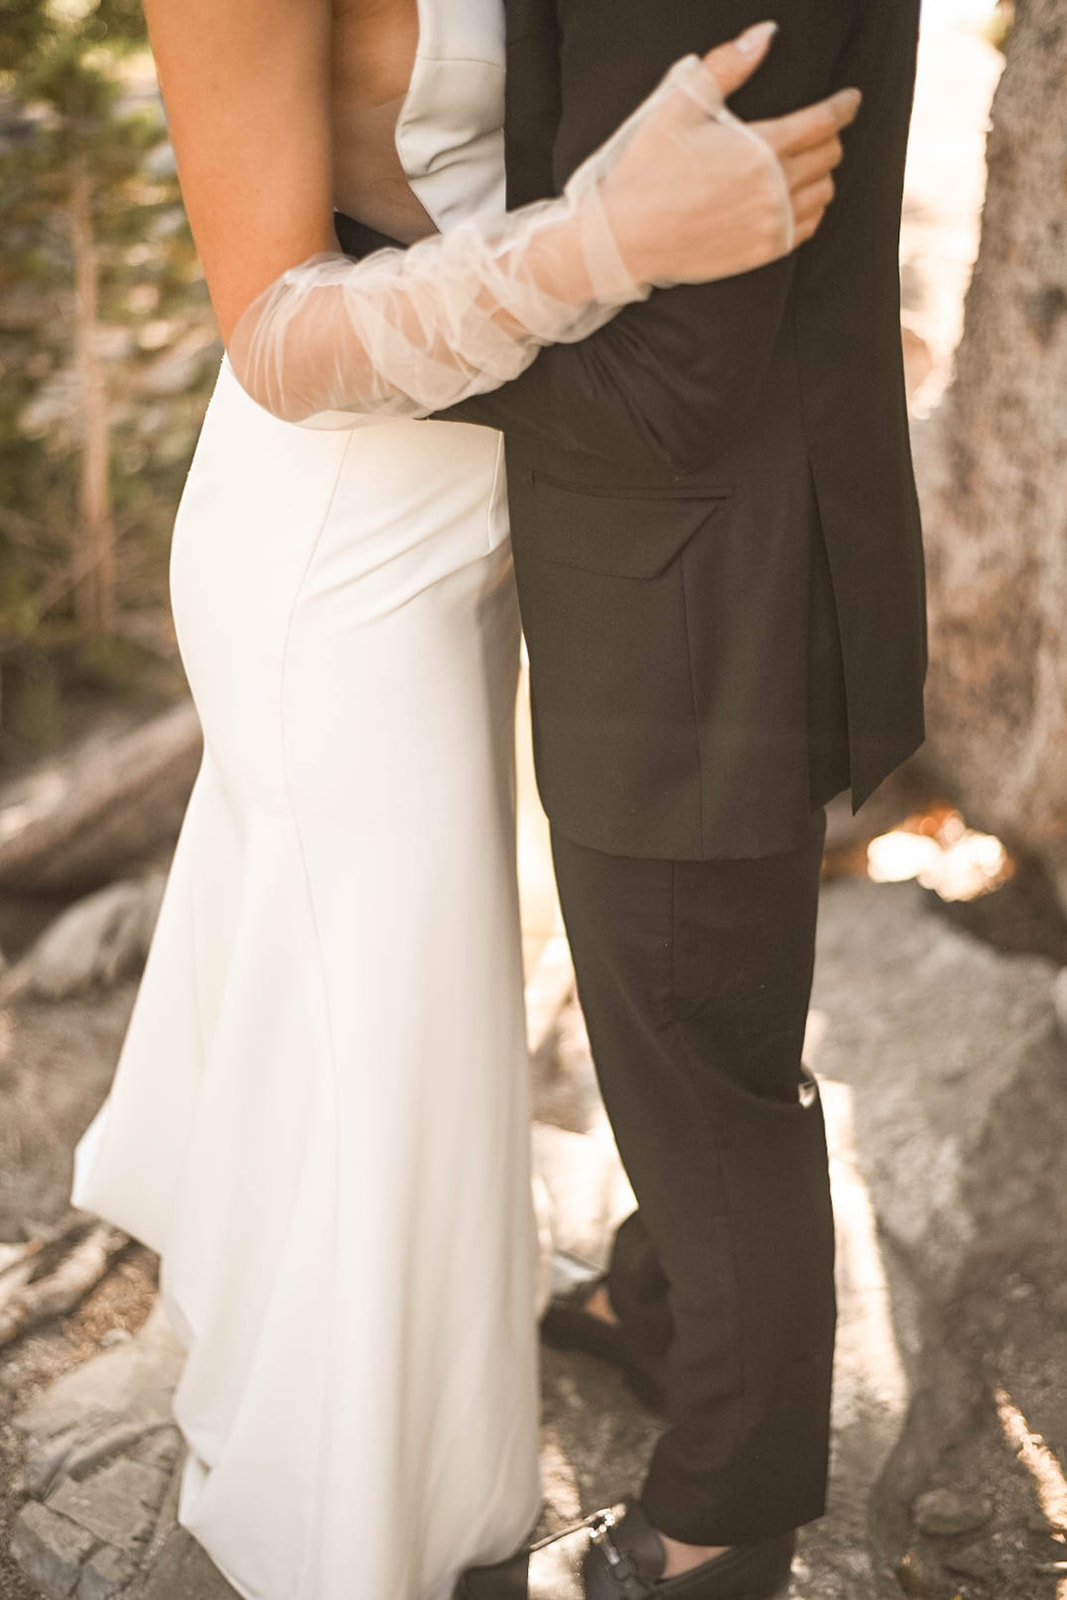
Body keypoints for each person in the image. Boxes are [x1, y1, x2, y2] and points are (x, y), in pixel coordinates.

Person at [69, 4, 858, 1600]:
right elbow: (276, 333)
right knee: (386, 1033)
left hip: (517, 502)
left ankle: (473, 1316)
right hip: (342, 543)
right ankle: (358, 1531)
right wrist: (604, 240)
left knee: (421, 1008)